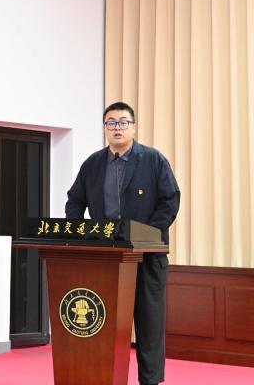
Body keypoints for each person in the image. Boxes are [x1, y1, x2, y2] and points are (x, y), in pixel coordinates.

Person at [65, 101, 180, 385]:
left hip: (146, 256)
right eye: (111, 123)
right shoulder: (93, 164)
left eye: (123, 122)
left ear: (133, 127)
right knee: (105, 322)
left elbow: (170, 200)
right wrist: (79, 235)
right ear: (105, 128)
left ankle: (150, 381)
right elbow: (75, 201)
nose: (117, 128)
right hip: (106, 259)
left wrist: (146, 234)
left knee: (149, 323)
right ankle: (105, 377)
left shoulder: (153, 160)